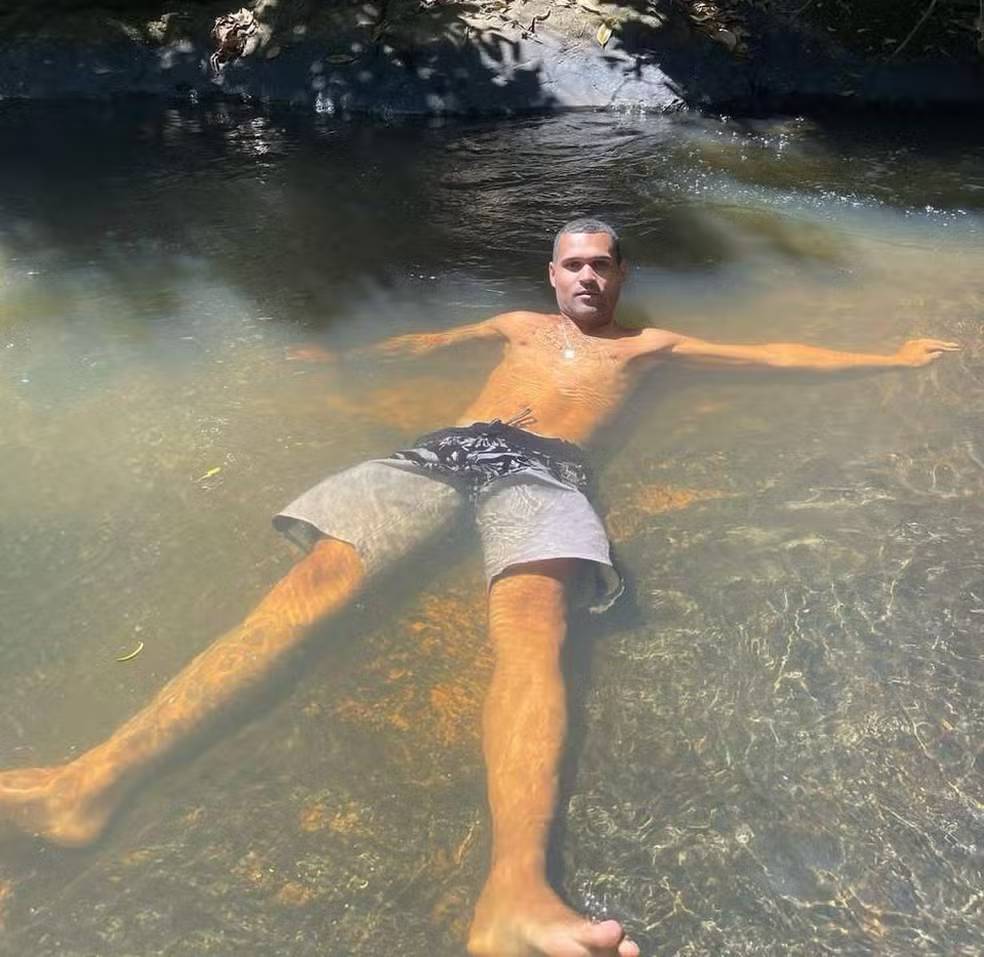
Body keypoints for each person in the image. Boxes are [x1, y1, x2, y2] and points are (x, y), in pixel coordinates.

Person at [0, 219, 959, 957]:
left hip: (547, 468)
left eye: (603, 264)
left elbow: (782, 357)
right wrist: (337, 359)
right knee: (318, 577)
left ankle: (516, 889)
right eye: (573, 264)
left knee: (535, 621)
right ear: (552, 275)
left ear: (622, 275)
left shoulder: (649, 350)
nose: (587, 277)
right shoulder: (515, 326)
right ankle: (92, 781)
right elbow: (426, 343)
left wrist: (892, 358)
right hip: (444, 450)